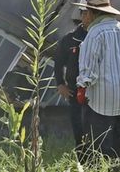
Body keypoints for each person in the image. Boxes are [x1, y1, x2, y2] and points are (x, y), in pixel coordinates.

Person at [74, 0, 120, 159]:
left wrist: (81, 88)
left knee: (101, 148)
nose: (82, 18)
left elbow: (88, 74)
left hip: (103, 101)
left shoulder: (95, 33)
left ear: (90, 13)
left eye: (83, 13)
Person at [53, 9, 88, 151]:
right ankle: (82, 161)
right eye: (84, 13)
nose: (86, 16)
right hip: (75, 92)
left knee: (96, 129)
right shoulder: (70, 38)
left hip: (97, 91)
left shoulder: (101, 36)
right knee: (78, 129)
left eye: (90, 13)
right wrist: (60, 84)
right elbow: (58, 62)